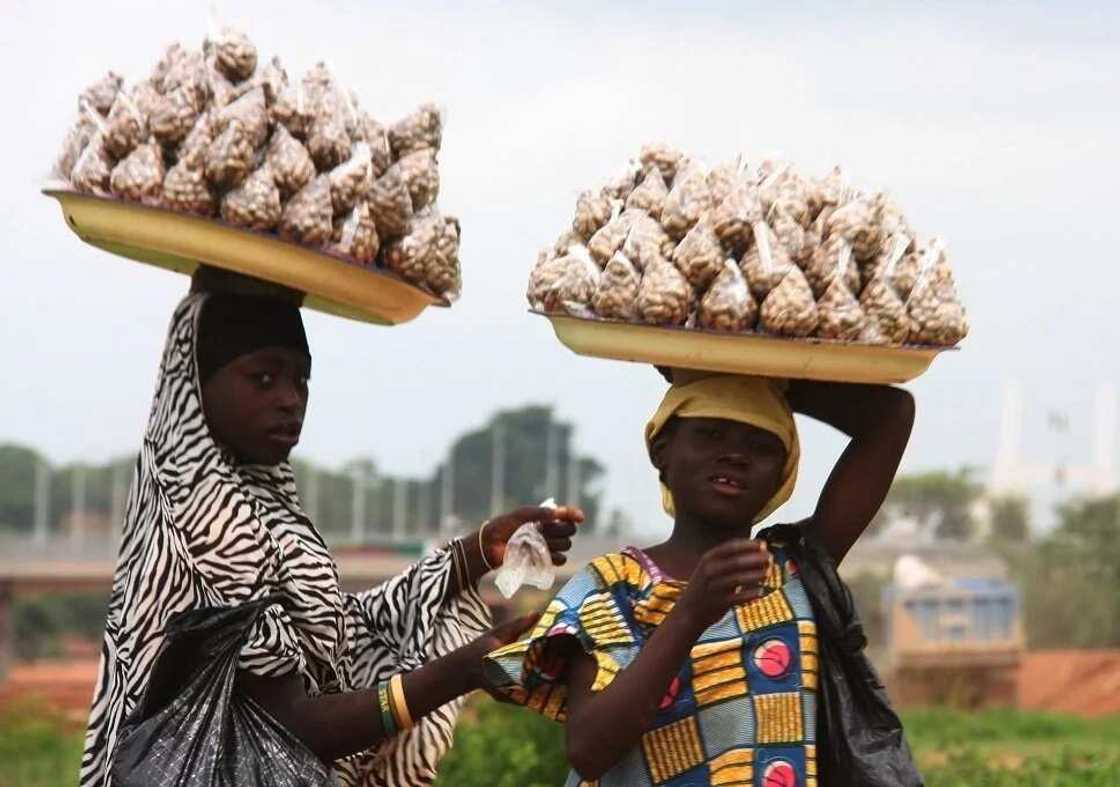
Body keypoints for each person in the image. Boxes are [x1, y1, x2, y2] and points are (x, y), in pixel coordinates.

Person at [80, 280, 583, 787]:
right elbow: (292, 724)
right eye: (263, 378)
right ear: (196, 384)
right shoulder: (206, 520)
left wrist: (478, 552)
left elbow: (340, 636)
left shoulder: (264, 510)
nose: (288, 399)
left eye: (300, 380)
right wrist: (456, 673)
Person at [484, 371, 916, 786]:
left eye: (761, 445)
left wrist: (771, 375)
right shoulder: (609, 587)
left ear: (782, 476)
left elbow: (892, 413)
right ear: (662, 451)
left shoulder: (790, 569)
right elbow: (589, 749)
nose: (735, 454)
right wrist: (690, 614)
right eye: (710, 433)